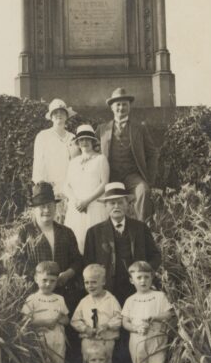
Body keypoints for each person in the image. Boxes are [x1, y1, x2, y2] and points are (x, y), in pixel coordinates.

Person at [84, 182, 161, 307]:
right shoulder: (94, 232)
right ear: (105, 206)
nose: (116, 206)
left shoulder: (140, 228)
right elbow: (88, 262)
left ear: (127, 205)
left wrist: (144, 274)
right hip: (107, 290)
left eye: (120, 202)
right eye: (112, 203)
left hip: (137, 289)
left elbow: (156, 256)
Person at [16, 181, 83, 313]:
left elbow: (78, 260)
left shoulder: (66, 232)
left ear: (55, 207)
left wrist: (68, 275)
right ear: (34, 209)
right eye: (42, 206)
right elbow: (18, 263)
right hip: (36, 294)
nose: (46, 210)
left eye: (50, 206)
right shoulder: (25, 231)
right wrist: (40, 279)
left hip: (64, 294)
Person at [95, 87, 159, 221]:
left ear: (129, 107)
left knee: (143, 191)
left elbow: (152, 153)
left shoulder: (139, 128)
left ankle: (142, 229)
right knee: (102, 198)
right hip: (111, 176)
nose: (121, 108)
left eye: (125, 104)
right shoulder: (102, 129)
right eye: (118, 104)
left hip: (132, 176)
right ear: (112, 107)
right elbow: (93, 152)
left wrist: (149, 180)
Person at [121, 261, 173, 363]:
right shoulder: (130, 300)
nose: (143, 281)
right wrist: (135, 328)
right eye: (139, 277)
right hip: (138, 340)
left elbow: (169, 313)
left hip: (156, 339)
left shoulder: (159, 296)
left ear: (152, 278)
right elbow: (125, 322)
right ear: (132, 280)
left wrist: (154, 317)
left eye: (146, 277)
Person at [64, 125, 109, 254]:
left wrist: (86, 201)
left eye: (88, 139)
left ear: (93, 141)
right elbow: (66, 185)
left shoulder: (101, 159)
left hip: (94, 205)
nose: (84, 142)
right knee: (77, 241)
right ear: (77, 143)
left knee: (96, 242)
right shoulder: (73, 162)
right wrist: (75, 201)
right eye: (81, 140)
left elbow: (104, 183)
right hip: (76, 207)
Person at [32, 99, 79, 219]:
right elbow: (38, 163)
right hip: (49, 186)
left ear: (66, 116)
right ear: (51, 117)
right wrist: (43, 186)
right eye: (55, 113)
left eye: (62, 112)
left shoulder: (73, 138)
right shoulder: (43, 136)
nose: (59, 115)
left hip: (69, 187)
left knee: (68, 220)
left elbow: (76, 164)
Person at [21, 261, 69, 363]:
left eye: (52, 281)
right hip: (40, 341)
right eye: (44, 280)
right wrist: (45, 322)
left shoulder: (59, 299)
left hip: (58, 341)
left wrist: (60, 319)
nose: (48, 284)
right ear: (36, 278)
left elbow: (66, 320)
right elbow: (25, 322)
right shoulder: (32, 299)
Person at [71, 264, 122, 363]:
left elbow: (119, 318)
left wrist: (107, 325)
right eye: (87, 282)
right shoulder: (84, 301)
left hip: (105, 340)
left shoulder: (111, 300)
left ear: (103, 282)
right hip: (88, 340)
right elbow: (75, 320)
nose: (90, 286)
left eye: (94, 282)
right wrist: (85, 328)